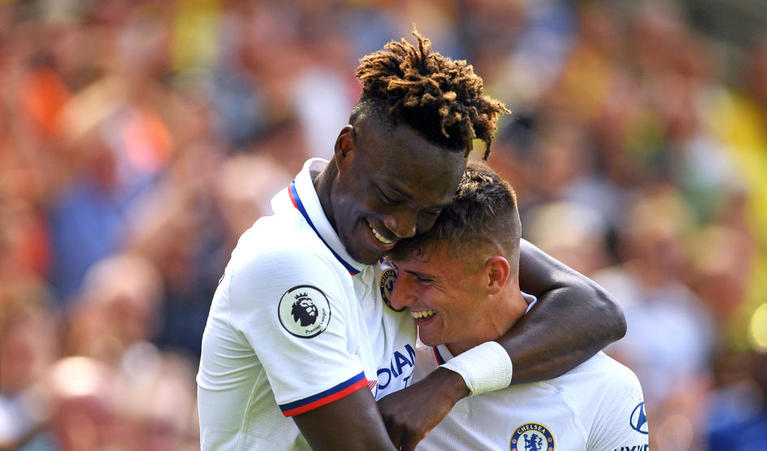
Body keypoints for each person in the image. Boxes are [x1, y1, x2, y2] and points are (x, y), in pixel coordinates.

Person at [197, 31, 626, 451]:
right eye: (391, 198)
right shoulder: (287, 263)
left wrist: (451, 383)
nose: (402, 228)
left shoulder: (385, 220)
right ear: (345, 147)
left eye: (428, 212)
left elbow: (595, 310)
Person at [386, 162, 648, 450]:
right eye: (396, 271)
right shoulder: (383, 345)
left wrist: (452, 382)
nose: (398, 297)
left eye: (423, 279)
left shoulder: (606, 390)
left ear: (494, 276)